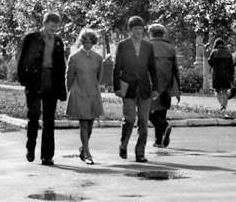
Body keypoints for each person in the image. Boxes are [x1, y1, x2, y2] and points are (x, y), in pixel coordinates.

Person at [17, 11, 67, 165]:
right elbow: (21, 59)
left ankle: (47, 155)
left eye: (56, 27)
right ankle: (30, 148)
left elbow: (61, 66)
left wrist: (62, 89)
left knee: (49, 121)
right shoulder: (31, 38)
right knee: (33, 116)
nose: (53, 30)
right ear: (44, 23)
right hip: (34, 81)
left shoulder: (58, 41)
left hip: (51, 81)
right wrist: (24, 80)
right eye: (51, 26)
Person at [112, 16, 159, 163]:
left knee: (144, 122)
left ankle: (140, 153)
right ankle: (123, 145)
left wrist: (155, 88)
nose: (138, 31)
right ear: (130, 30)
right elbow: (116, 68)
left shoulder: (148, 46)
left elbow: (152, 68)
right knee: (129, 119)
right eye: (135, 29)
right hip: (128, 88)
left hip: (145, 88)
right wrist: (117, 87)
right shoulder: (123, 45)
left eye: (140, 28)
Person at [65, 28, 104, 164]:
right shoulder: (74, 57)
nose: (88, 45)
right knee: (84, 124)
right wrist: (70, 93)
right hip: (79, 93)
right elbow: (69, 78)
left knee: (91, 123)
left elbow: (99, 77)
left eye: (91, 42)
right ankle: (88, 154)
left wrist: (94, 89)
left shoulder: (98, 58)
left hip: (93, 93)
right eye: (85, 42)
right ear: (81, 42)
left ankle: (83, 148)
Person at [148, 23, 181, 148]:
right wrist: (178, 90)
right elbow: (175, 70)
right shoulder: (170, 48)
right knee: (161, 112)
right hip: (166, 85)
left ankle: (164, 126)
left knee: (147, 111)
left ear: (151, 33)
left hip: (150, 84)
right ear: (163, 34)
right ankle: (158, 140)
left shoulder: (147, 46)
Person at [208, 39, 236, 112]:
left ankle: (222, 105)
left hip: (217, 74)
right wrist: (232, 77)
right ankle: (224, 107)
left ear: (216, 44)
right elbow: (231, 66)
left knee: (217, 91)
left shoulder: (214, 52)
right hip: (226, 74)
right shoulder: (228, 53)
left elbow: (210, 62)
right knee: (224, 91)